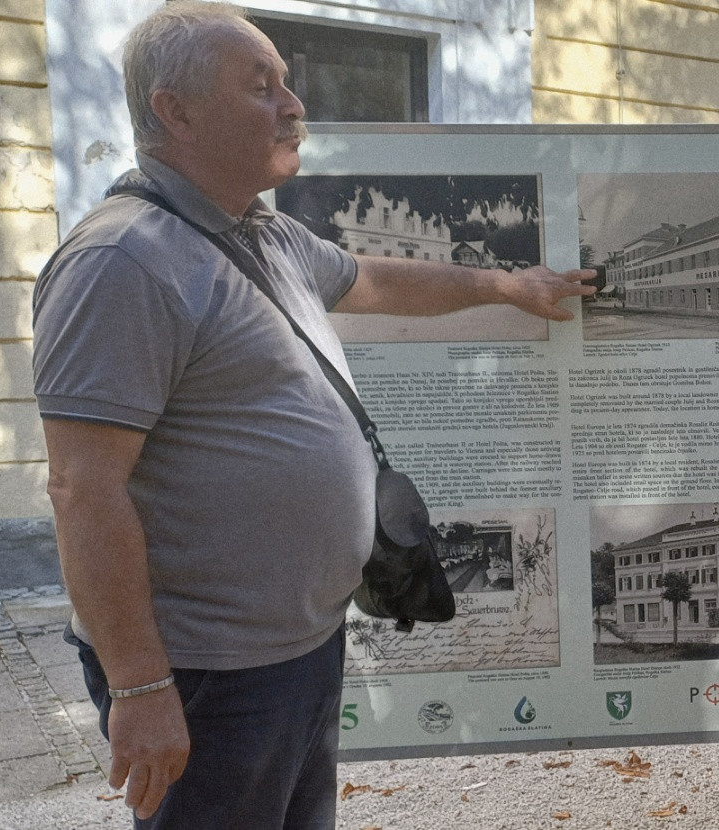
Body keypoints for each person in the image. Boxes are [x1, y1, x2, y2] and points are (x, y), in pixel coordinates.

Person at [31, 3, 594, 827]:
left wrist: (505, 284)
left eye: (288, 84)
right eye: (263, 88)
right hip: (208, 671)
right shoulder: (123, 262)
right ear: (174, 111)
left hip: (298, 646)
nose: (295, 105)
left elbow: (376, 279)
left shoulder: (264, 235)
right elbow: (83, 489)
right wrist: (141, 688)